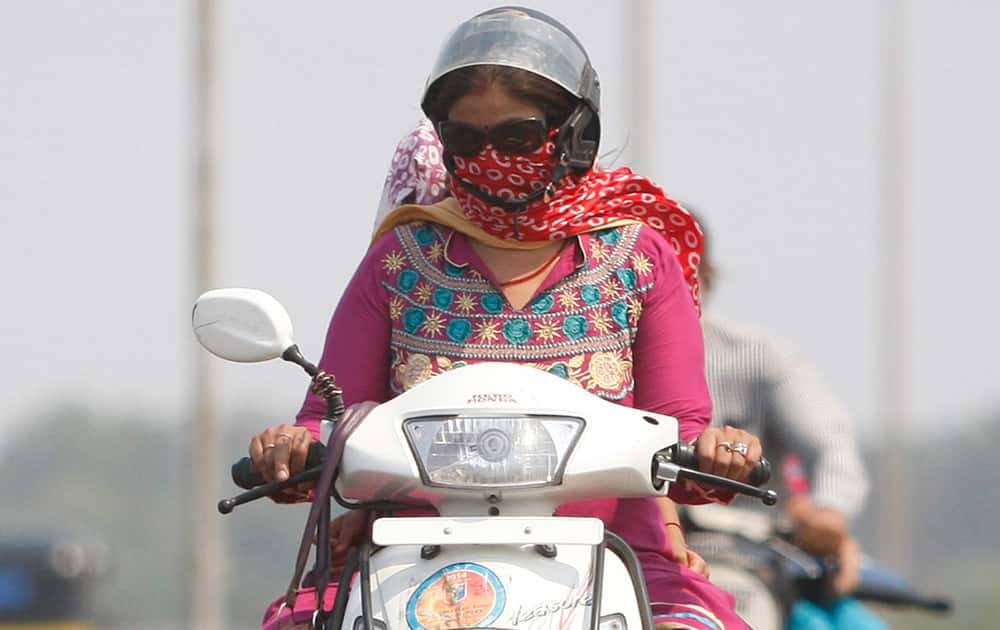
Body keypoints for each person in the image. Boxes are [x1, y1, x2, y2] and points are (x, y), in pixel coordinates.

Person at [250, 7, 762, 629]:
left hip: (617, 561)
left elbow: (682, 426)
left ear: (575, 133)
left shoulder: (637, 255)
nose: (491, 156)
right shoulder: (400, 258)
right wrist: (289, 451)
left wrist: (717, 456)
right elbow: (330, 416)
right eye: (467, 140)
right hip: (407, 562)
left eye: (517, 137)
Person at [696, 220, 886, 630]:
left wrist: (829, 514)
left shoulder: (758, 354)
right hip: (641, 550)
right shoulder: (600, 359)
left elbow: (830, 442)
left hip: (756, 555)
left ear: (705, 276)